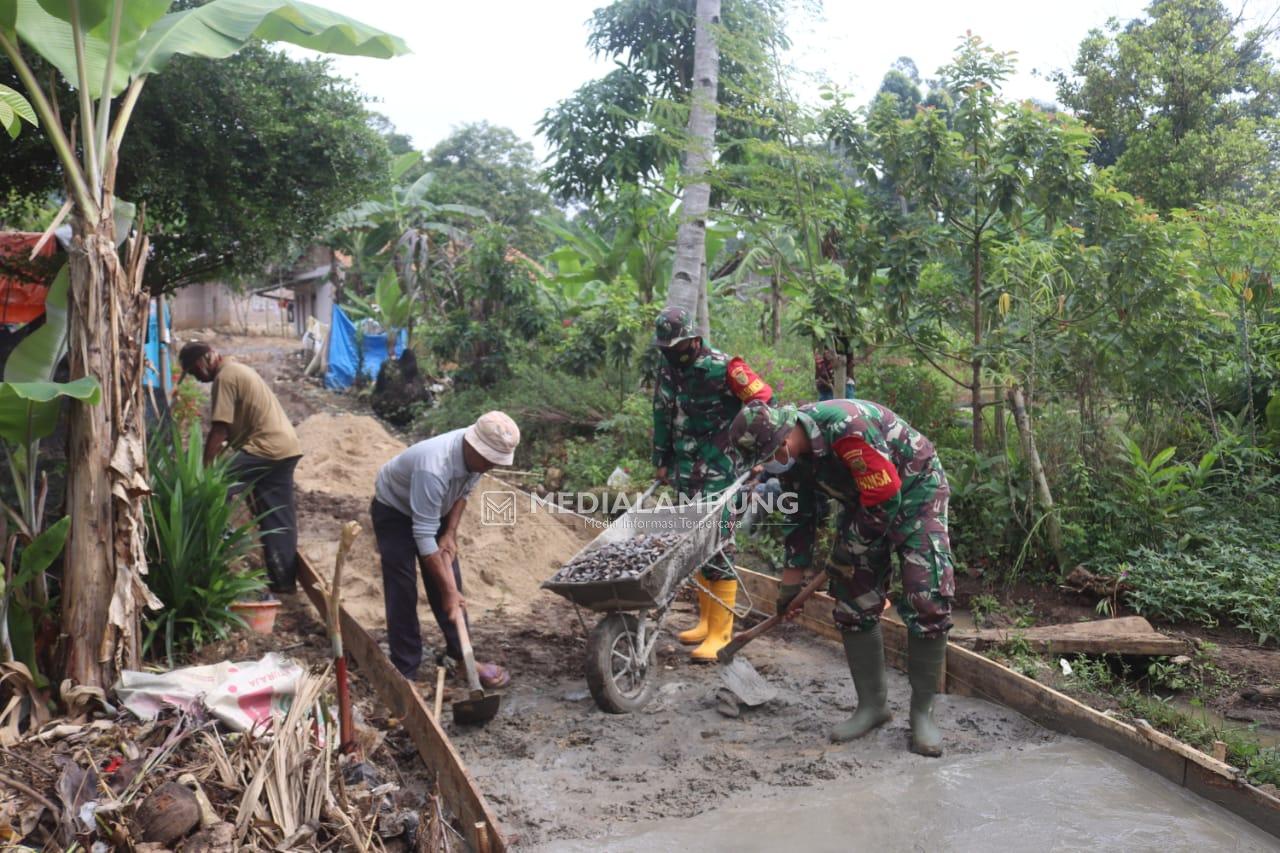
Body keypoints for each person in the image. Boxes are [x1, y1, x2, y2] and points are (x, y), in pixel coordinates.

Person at [728, 400, 955, 756]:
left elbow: (885, 497)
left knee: (925, 595)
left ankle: (922, 716)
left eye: (764, 456)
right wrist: (789, 589)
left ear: (783, 441)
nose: (764, 466)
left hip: (914, 491)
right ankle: (873, 707)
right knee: (853, 600)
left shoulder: (848, 430)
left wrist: (847, 550)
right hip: (864, 502)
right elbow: (800, 520)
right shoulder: (791, 463)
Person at [651, 306, 773, 661]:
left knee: (718, 542)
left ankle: (722, 633)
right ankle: (706, 621)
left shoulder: (726, 368)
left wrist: (755, 453)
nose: (669, 353)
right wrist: (661, 460)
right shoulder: (668, 368)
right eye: (665, 348)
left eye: (674, 347)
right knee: (693, 542)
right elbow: (661, 412)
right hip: (687, 470)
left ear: (692, 339)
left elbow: (764, 403)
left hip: (725, 468)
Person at [371, 411, 519, 689]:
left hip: (435, 510)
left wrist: (450, 533)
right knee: (402, 588)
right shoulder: (434, 467)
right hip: (394, 509)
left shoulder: (477, 460)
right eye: (488, 460)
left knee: (452, 584)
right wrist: (448, 593)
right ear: (474, 446)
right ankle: (406, 672)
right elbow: (424, 537)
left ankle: (462, 659)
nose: (490, 466)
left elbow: (463, 493)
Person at [179, 342, 302, 595]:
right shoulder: (238, 370)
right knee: (277, 516)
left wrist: (206, 470)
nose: (197, 378)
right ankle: (283, 583)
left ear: (206, 361)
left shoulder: (225, 377)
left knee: (216, 488)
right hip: (285, 447)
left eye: (194, 372)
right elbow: (230, 433)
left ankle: (221, 548)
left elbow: (220, 429)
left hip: (265, 448)